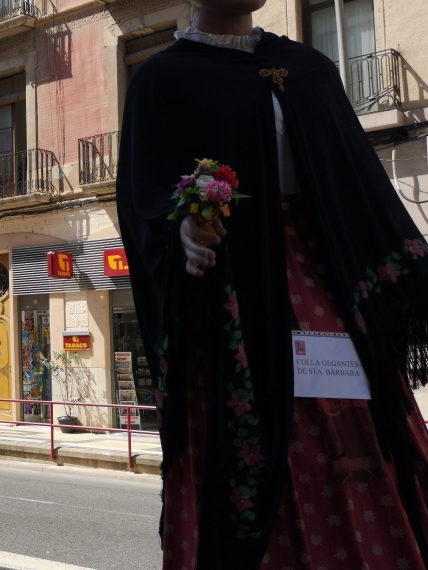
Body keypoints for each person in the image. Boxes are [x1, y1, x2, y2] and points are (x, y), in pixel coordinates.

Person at [117, 2, 428, 567]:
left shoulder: (308, 69)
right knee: (252, 451)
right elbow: (143, 203)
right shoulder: (160, 79)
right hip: (231, 302)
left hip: (323, 289)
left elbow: (359, 182)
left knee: (358, 438)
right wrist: (182, 228)